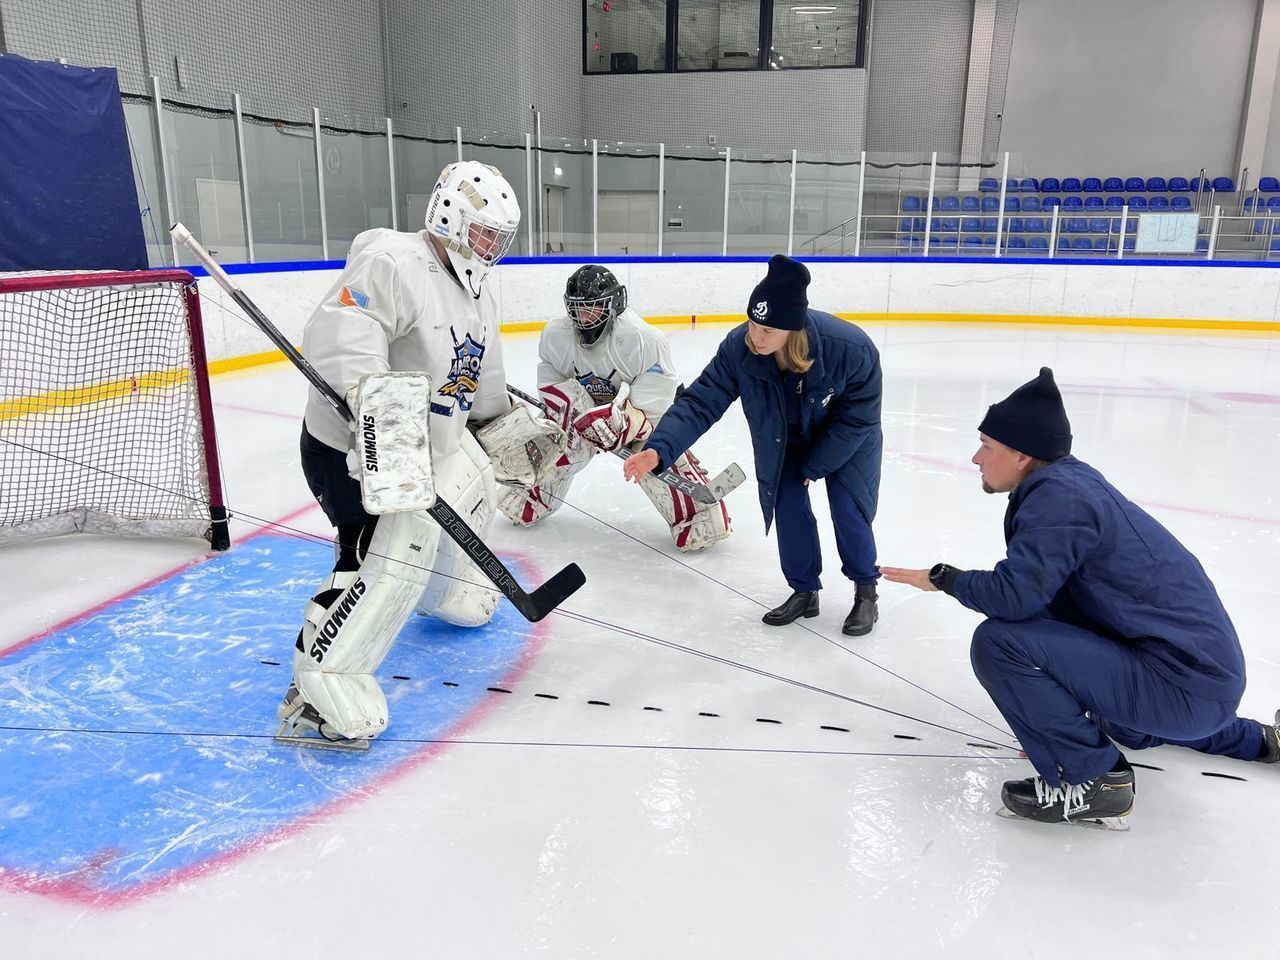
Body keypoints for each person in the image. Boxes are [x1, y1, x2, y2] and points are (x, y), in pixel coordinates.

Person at [882, 367, 1280, 828]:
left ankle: (1095, 780)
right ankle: (1264, 741)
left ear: (1022, 455)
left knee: (999, 642)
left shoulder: (1060, 501)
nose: (975, 458)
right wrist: (1046, 723)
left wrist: (944, 578)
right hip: (1199, 678)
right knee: (1105, 699)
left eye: (987, 447)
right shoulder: (1066, 483)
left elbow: (1016, 599)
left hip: (1185, 685)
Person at [278, 160, 563, 746]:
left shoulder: (476, 284)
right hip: (355, 450)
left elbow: (477, 371)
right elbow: (343, 336)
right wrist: (384, 428)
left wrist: (504, 427)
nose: (491, 248)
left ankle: (446, 594)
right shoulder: (392, 261)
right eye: (484, 233)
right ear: (448, 215)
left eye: (499, 239)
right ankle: (316, 689)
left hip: (428, 447)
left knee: (477, 479)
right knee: (380, 554)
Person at [623, 254, 883, 635]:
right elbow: (701, 400)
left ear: (793, 330)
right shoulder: (740, 349)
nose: (756, 336)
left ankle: (866, 593)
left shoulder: (849, 348)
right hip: (788, 436)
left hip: (848, 437)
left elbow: (860, 417)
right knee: (788, 504)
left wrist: (815, 468)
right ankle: (804, 591)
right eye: (753, 323)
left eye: (768, 330)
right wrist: (658, 449)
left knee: (849, 510)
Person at [498, 264, 732, 552]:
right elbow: (552, 384)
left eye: (592, 308)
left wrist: (624, 422)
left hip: (633, 416)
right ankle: (531, 496)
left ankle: (697, 514)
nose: (583, 317)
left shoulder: (643, 340)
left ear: (614, 304)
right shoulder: (556, 335)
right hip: (583, 416)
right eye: (576, 309)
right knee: (554, 439)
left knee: (651, 451)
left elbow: (655, 406)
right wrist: (570, 413)